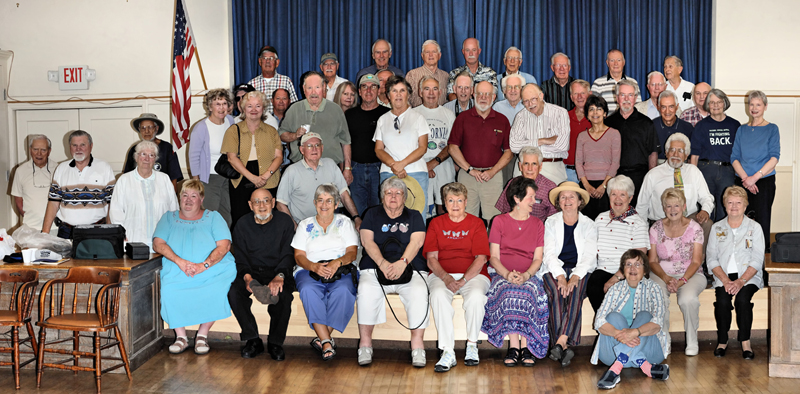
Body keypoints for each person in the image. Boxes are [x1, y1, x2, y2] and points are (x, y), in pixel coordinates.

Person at [153, 180, 237, 355]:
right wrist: (180, 261)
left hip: (212, 268)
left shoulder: (213, 217)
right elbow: (158, 244)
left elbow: (224, 246)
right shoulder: (168, 217)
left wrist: (203, 265)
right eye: (185, 195)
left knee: (217, 287)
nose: (188, 200)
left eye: (194, 196)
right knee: (169, 288)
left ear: (202, 199)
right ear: (179, 198)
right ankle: (181, 337)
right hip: (178, 267)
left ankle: (202, 335)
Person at [357, 178, 429, 367]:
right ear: (382, 197)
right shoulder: (372, 214)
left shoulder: (414, 216)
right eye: (389, 193)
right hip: (375, 266)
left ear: (404, 197)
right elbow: (367, 241)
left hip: (410, 267)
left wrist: (402, 263)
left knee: (420, 291)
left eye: (398, 193)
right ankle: (365, 344)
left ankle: (418, 346)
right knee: (365, 288)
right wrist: (381, 263)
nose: (393, 197)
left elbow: (417, 242)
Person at [481, 177, 550, 366]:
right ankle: (514, 346)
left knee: (529, 290)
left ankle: (526, 345)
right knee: (508, 290)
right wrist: (506, 274)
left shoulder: (537, 224)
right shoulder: (499, 221)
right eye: (530, 197)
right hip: (500, 272)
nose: (534, 201)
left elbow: (538, 258)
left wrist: (527, 275)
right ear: (517, 199)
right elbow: (494, 257)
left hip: (529, 273)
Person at [423, 183, 490, 372]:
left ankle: (471, 345)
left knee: (476, 297)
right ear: (444, 203)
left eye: (459, 200)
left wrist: (464, 280)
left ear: (466, 202)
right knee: (437, 295)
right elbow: (431, 259)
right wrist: (446, 278)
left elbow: (481, 259)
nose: (455, 204)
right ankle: (447, 351)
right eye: (451, 200)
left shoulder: (477, 223)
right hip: (441, 274)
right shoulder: (436, 224)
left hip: (474, 275)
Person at [292, 184, 359, 362]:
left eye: (329, 201)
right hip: (309, 268)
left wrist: (336, 263)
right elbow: (298, 256)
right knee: (307, 289)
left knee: (344, 291)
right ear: (314, 203)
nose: (324, 204)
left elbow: (352, 252)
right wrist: (314, 267)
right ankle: (327, 342)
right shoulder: (304, 225)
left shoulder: (344, 222)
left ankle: (323, 339)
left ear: (336, 204)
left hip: (340, 267)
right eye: (320, 200)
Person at [227, 188, 296, 361]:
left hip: (277, 271)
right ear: (250, 205)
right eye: (257, 202)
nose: (262, 205)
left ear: (273, 203)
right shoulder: (242, 224)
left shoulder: (285, 222)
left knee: (284, 296)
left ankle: (275, 342)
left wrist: (280, 276)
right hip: (252, 272)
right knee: (234, 293)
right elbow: (240, 258)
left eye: (266, 200)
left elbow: (289, 254)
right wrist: (247, 278)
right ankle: (252, 340)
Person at [592, 249, 670, 389]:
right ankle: (645, 366)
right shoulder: (614, 289)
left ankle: (616, 369)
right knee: (613, 317)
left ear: (645, 270)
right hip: (611, 354)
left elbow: (658, 323)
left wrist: (635, 332)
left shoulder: (654, 288)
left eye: (638, 264)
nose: (633, 268)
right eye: (628, 264)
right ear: (623, 269)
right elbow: (599, 321)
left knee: (645, 316)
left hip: (649, 352)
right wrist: (620, 335)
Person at [542, 181, 596, 367]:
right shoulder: (551, 222)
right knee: (557, 292)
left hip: (580, 270)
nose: (567, 200)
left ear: (580, 201)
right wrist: (560, 276)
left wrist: (574, 276)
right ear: (558, 201)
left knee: (575, 293)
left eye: (571, 196)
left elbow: (589, 257)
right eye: (563, 197)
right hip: (553, 268)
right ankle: (564, 346)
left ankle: (559, 342)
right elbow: (549, 254)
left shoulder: (589, 224)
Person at [706, 186, 764, 359]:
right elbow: (711, 259)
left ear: (745, 205)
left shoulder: (755, 228)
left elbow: (757, 259)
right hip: (723, 277)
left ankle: (745, 342)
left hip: (748, 277)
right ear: (724, 205)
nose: (734, 206)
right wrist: (725, 280)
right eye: (730, 202)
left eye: (738, 202)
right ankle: (722, 341)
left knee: (742, 300)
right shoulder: (717, 228)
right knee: (723, 301)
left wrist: (740, 281)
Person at [648, 188, 705, 356]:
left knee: (687, 299)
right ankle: (663, 340)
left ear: (684, 207)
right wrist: (666, 278)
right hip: (661, 274)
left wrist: (681, 281)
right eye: (668, 206)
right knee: (659, 297)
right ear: (663, 208)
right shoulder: (656, 228)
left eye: (677, 206)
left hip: (691, 274)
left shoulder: (695, 228)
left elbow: (696, 261)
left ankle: (692, 340)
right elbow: (652, 261)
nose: (672, 210)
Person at [448, 81, 513, 220]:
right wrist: (469, 169)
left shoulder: (502, 120)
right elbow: (453, 147)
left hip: (492, 177)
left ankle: (491, 243)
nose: (483, 97)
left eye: (487, 94)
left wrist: (492, 171)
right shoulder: (462, 118)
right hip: (467, 176)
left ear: (494, 97)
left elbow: (508, 152)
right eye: (479, 94)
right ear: (473, 94)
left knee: (494, 219)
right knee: (465, 217)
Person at [638, 133, 714, 249]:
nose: (675, 154)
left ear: (686, 154)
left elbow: (707, 198)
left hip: (689, 218)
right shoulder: (653, 175)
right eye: (672, 150)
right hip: (662, 220)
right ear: (666, 152)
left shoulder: (694, 171)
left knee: (707, 224)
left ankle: (699, 261)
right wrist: (641, 232)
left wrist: (705, 211)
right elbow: (642, 205)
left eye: (680, 151)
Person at [220, 90, 283, 228]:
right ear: (243, 108)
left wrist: (265, 176)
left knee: (268, 219)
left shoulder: (272, 131)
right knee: (242, 220)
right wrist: (253, 178)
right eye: (249, 106)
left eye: (258, 106)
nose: (254, 110)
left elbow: (279, 157)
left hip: (269, 178)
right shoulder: (233, 130)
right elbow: (231, 158)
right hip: (241, 179)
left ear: (263, 108)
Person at [589, 175, 649, 312]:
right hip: (602, 269)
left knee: (623, 291)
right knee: (594, 285)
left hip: (628, 271)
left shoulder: (638, 223)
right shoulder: (600, 218)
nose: (617, 199)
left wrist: (616, 277)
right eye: (614, 194)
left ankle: (617, 329)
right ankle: (607, 329)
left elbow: (639, 258)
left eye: (622, 195)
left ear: (630, 198)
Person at [276, 133, 361, 227]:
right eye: (309, 146)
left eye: (317, 145)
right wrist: (295, 228)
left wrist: (356, 217)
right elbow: (281, 204)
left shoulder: (330, 164)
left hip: (330, 224)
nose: (314, 149)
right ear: (302, 150)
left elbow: (344, 194)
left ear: (322, 148)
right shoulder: (291, 171)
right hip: (304, 226)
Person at [42, 130, 115, 238]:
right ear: (70, 147)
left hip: (96, 232)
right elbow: (53, 203)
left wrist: (110, 232)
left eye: (82, 145)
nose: (78, 149)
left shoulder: (104, 168)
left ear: (91, 146)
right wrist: (45, 233)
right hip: (66, 233)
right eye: (74, 145)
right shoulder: (61, 169)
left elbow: (112, 204)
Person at [731, 90, 779, 252]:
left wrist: (755, 177)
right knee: (740, 221)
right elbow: (734, 158)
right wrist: (746, 179)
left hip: (763, 182)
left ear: (765, 107)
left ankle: (762, 265)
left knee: (762, 223)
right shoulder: (741, 130)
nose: (754, 108)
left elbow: (774, 158)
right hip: (741, 182)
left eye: (758, 104)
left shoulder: (772, 129)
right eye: (751, 104)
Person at [374, 75, 430, 212]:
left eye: (402, 91)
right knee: (389, 214)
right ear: (388, 95)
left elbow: (423, 147)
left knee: (417, 216)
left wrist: (402, 164)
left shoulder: (419, 118)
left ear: (409, 94)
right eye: (394, 91)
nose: (398, 95)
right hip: (388, 172)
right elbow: (379, 149)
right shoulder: (382, 119)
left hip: (416, 172)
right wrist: (394, 166)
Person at [110, 141, 178, 251]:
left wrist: (173, 234)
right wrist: (120, 234)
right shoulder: (124, 180)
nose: (147, 158)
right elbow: (115, 211)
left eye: (151, 155)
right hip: (132, 241)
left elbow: (174, 210)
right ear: (136, 157)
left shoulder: (164, 179)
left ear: (155, 159)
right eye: (143, 154)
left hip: (162, 242)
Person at [279, 72, 351, 169]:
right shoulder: (294, 109)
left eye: (317, 87)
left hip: (330, 168)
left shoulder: (336, 110)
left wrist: (347, 168)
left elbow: (345, 142)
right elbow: (282, 135)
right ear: (304, 90)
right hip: (301, 168)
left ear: (324, 88)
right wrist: (295, 135)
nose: (313, 92)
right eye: (309, 88)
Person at [690, 88, 740, 221]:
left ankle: (723, 240)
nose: (715, 105)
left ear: (724, 103)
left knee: (726, 207)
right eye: (712, 102)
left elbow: (739, 153)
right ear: (708, 105)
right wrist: (694, 177)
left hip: (727, 171)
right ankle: (707, 241)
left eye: (719, 102)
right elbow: (694, 155)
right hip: (706, 170)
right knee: (707, 208)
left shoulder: (734, 125)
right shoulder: (701, 126)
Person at [605, 80, 658, 202]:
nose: (626, 99)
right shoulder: (608, 123)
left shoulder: (647, 123)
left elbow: (653, 153)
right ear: (617, 97)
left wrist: (651, 180)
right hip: (614, 177)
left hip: (640, 177)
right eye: (623, 95)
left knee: (639, 215)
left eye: (630, 95)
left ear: (635, 97)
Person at [189, 88, 236, 226]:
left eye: (224, 103)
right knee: (209, 216)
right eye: (217, 104)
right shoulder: (201, 127)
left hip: (228, 177)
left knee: (226, 217)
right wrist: (196, 181)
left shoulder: (230, 121)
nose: (221, 108)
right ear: (210, 107)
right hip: (209, 179)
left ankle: (224, 245)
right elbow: (194, 155)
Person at [346, 74, 390, 215]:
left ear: (379, 90)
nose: (369, 90)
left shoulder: (387, 115)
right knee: (357, 213)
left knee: (379, 213)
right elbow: (345, 144)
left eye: (373, 87)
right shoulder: (349, 115)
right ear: (359, 91)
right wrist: (346, 168)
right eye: (364, 86)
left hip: (380, 168)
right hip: (355, 169)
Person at [510, 84, 570, 184]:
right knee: (522, 199)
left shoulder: (560, 113)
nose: (530, 104)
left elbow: (563, 145)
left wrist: (528, 146)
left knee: (554, 199)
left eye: (533, 99)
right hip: (525, 170)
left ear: (541, 96)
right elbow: (514, 146)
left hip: (552, 167)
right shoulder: (520, 116)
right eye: (526, 101)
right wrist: (542, 141)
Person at [415, 76, 456, 216]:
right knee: (422, 207)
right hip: (419, 165)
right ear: (420, 92)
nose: (431, 93)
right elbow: (410, 144)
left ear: (440, 92)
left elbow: (452, 143)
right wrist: (424, 165)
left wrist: (433, 163)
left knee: (444, 206)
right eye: (427, 89)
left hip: (444, 164)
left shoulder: (449, 114)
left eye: (435, 89)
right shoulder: (413, 114)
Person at [575, 95, 620, 220]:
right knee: (586, 222)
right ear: (587, 114)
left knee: (605, 223)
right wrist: (587, 186)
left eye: (599, 109)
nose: (595, 112)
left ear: (605, 113)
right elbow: (578, 163)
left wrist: (604, 186)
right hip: (586, 185)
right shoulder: (582, 136)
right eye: (591, 109)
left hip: (607, 185)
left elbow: (615, 163)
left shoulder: (614, 134)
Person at [495, 146, 558, 222]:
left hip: (539, 231)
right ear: (520, 166)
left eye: (534, 164)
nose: (530, 168)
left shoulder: (550, 188)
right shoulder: (512, 183)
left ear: (540, 166)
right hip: (514, 228)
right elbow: (505, 213)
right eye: (526, 163)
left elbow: (554, 219)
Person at [123, 113, 183, 191]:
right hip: (138, 194)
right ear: (139, 130)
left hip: (162, 194)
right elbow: (128, 177)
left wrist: (173, 198)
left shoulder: (167, 148)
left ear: (156, 128)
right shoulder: (134, 149)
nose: (146, 131)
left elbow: (173, 179)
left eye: (150, 127)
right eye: (143, 128)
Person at [11, 134, 56, 231]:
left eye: (43, 150)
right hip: (30, 228)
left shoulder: (59, 169)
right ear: (30, 150)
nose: (39, 154)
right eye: (35, 149)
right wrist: (29, 217)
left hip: (55, 228)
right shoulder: (20, 171)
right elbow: (18, 199)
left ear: (49, 151)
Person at [248, 45, 298, 113]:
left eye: (271, 58)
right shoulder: (252, 84)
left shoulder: (286, 81)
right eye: (264, 58)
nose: (267, 61)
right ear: (260, 61)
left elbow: (294, 106)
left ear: (277, 62)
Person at [405, 40, 449, 108]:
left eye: (434, 52)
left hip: (440, 117)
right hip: (418, 116)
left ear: (439, 55)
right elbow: (406, 101)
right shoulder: (412, 75)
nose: (430, 55)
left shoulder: (446, 76)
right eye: (427, 52)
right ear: (422, 55)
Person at [653, 91, 693, 162]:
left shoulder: (687, 128)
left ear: (677, 107)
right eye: (663, 107)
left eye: (671, 107)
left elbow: (691, 156)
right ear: (658, 107)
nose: (667, 111)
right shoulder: (651, 126)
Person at [565, 80, 591, 183]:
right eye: (576, 93)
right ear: (571, 97)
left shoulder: (597, 119)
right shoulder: (564, 117)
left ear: (589, 94)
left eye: (583, 93)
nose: (579, 97)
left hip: (590, 173)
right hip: (567, 172)